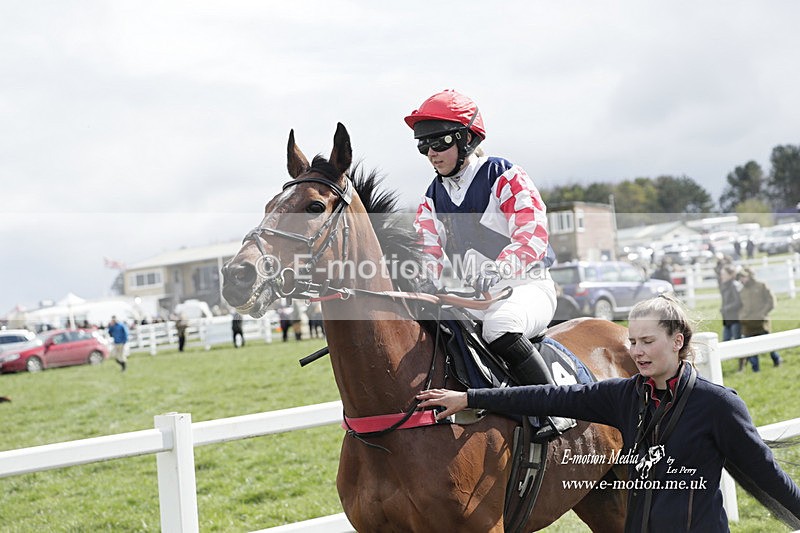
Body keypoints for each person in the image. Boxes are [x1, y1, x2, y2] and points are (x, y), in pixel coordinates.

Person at [417, 295, 800, 532]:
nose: (637, 352)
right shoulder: (622, 395)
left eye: (648, 341)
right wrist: (469, 398)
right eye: (633, 341)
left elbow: (771, 480)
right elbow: (547, 397)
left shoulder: (719, 405)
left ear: (678, 341)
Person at [405, 89, 569, 433]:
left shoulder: (505, 176)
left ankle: (556, 409)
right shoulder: (432, 198)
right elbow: (426, 249)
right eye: (423, 146)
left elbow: (533, 236)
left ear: (465, 138)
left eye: (438, 143)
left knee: (500, 327)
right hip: (475, 296)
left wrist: (500, 270)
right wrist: (418, 279)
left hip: (527, 288)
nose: (431, 154)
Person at [738, 268, 781, 371]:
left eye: (744, 277)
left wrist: (762, 313)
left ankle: (777, 360)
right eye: (741, 278)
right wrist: (742, 317)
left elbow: (771, 301)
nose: (742, 280)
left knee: (769, 345)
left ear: (750, 276)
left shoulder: (761, 286)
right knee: (751, 348)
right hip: (748, 324)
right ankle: (756, 369)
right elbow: (740, 307)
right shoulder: (742, 291)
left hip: (762, 322)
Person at [717, 265, 745, 370]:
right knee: (725, 341)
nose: (721, 276)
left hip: (735, 319)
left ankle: (741, 366)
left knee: (737, 343)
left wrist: (726, 308)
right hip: (727, 319)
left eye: (723, 274)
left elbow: (738, 302)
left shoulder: (734, 285)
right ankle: (720, 368)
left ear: (730, 275)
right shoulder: (725, 286)